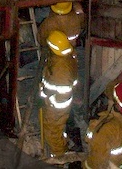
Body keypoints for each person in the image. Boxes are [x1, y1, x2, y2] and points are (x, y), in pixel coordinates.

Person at [85, 80, 122, 169]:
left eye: (110, 99)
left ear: (116, 105)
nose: (108, 101)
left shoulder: (107, 130)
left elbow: (96, 164)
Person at [39, 30, 79, 159]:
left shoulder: (61, 68)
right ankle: (62, 145)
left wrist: (50, 100)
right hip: (56, 102)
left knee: (52, 131)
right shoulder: (65, 56)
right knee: (57, 128)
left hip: (57, 106)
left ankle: (58, 156)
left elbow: (62, 93)